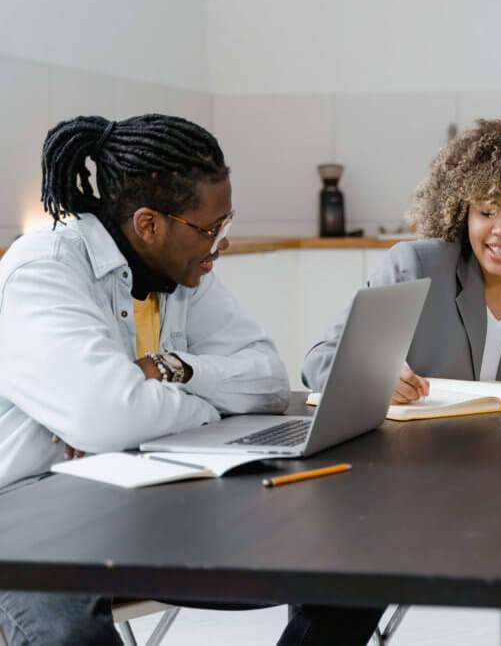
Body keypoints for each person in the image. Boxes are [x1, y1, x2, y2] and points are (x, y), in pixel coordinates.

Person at [0, 114, 382, 645]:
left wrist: (172, 372)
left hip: (145, 491)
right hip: (26, 513)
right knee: (69, 638)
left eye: (225, 222)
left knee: (355, 558)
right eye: (210, 227)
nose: (221, 242)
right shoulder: (43, 269)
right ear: (149, 224)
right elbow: (109, 416)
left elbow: (268, 378)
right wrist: (201, 407)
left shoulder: (180, 272)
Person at [302, 119, 501, 646]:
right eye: (486, 212)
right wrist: (375, 377)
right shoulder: (416, 265)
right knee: (341, 575)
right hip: (408, 488)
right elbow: (319, 361)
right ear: (462, 208)